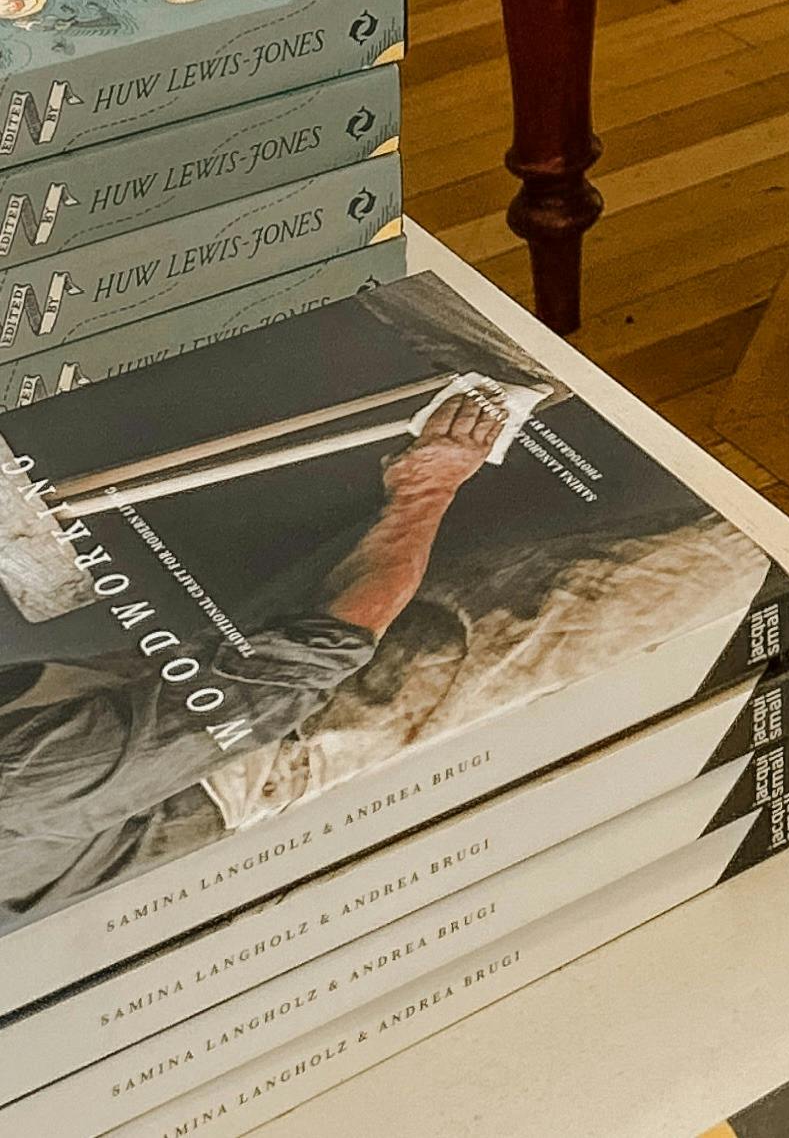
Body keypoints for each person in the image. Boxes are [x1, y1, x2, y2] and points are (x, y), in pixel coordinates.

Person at [0, 388, 506, 923]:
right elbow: (318, 651)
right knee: (544, 604)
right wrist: (424, 490)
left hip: (157, 702)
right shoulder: (26, 779)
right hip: (276, 747)